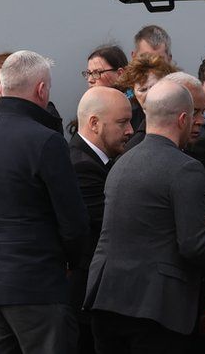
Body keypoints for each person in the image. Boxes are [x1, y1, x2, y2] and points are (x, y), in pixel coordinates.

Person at [0, 50, 88, 354]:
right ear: (41, 89)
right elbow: (73, 220)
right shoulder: (46, 141)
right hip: (37, 283)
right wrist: (71, 262)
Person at [85, 80, 205, 353]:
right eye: (196, 115)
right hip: (156, 308)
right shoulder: (186, 168)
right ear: (183, 119)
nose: (199, 121)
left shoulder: (121, 162)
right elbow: (194, 245)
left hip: (106, 299)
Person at [69, 86, 133, 354]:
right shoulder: (82, 166)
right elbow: (111, 225)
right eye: (122, 122)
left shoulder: (101, 162)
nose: (130, 130)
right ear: (94, 123)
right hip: (87, 295)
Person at [118, 53, 178, 147]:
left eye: (155, 87)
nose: (150, 94)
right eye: (143, 90)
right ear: (134, 93)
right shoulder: (128, 119)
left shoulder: (180, 113)